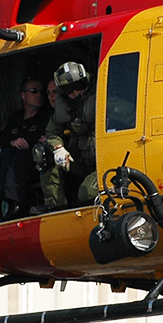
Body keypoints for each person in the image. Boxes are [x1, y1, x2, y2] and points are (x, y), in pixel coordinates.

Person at [0, 77, 51, 224]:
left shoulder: (46, 117)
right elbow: (2, 142)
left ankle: (15, 205)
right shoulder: (14, 118)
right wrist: (2, 147)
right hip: (6, 160)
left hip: (32, 163)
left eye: (41, 92)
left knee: (18, 154)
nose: (39, 94)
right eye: (34, 91)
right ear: (23, 95)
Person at [36, 61, 98, 212]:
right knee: (42, 152)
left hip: (103, 161)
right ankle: (56, 207)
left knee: (87, 192)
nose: (75, 92)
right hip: (79, 160)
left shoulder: (102, 97)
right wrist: (58, 148)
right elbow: (52, 131)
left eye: (78, 86)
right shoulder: (63, 107)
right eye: (69, 89)